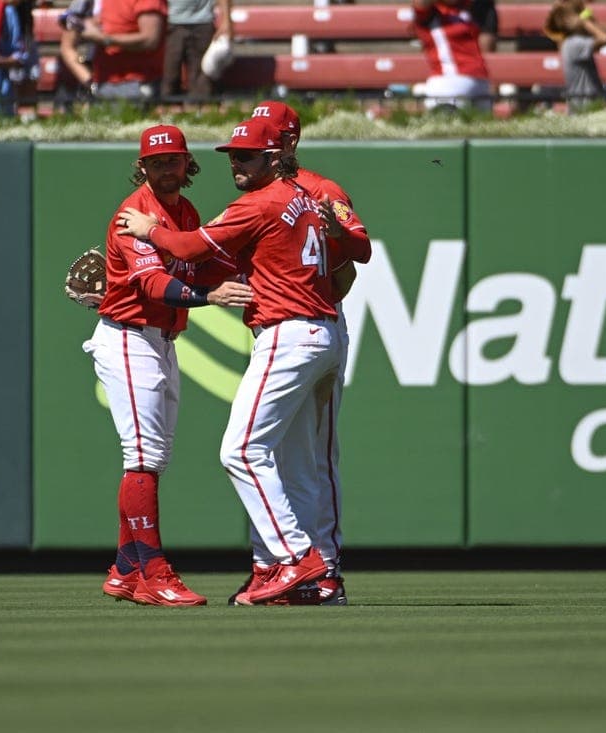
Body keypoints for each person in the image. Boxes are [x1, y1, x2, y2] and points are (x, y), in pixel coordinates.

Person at [116, 117, 341, 607]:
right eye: (233, 155)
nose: (236, 163)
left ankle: (296, 559)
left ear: (274, 157)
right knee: (295, 462)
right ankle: (287, 572)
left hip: (289, 332)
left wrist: (153, 233)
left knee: (240, 452)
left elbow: (193, 249)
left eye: (247, 155)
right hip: (320, 330)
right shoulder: (302, 196)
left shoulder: (256, 202)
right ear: (143, 166)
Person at [88, 124, 252, 607]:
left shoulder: (184, 211)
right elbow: (155, 286)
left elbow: (196, 264)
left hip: (161, 340)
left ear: (187, 164)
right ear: (142, 166)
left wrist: (238, 264)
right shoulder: (132, 215)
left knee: (152, 458)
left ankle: (124, 569)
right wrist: (211, 295)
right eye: (155, 161)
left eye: (172, 159)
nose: (165, 167)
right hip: (127, 338)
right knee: (142, 457)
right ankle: (153, 571)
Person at [238, 100, 372, 607]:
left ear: (286, 144)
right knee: (273, 453)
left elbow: (354, 260)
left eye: (264, 137)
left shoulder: (321, 190)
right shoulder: (262, 195)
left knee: (313, 456)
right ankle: (276, 567)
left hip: (313, 325)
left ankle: (325, 569)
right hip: (278, 329)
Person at [78, 0, 167, 103]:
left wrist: (105, 39)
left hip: (137, 84)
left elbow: (150, 41)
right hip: (104, 82)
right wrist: (87, 26)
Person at [412, 0, 492, 112]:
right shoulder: (430, 13)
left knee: (482, 127)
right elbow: (420, 4)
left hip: (480, 79)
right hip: (449, 79)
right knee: (446, 125)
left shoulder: (464, 10)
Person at [544, 0, 606, 112]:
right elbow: (605, 38)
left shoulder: (574, 41)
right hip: (583, 105)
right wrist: (585, 23)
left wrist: (591, 21)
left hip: (588, 103)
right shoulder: (574, 44)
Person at [160, 0, 233, 101]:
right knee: (170, 74)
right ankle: (167, 110)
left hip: (203, 22)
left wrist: (226, 22)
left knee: (201, 80)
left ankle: (199, 111)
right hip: (172, 22)